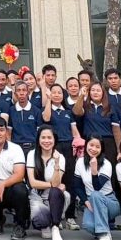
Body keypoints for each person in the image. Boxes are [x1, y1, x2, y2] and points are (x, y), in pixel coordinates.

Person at [43, 84, 82, 228]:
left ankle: (70, 217)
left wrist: (79, 146)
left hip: (69, 148)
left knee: (69, 181)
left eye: (59, 92)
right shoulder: (47, 110)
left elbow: (75, 131)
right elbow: (46, 118)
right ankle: (56, 217)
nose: (57, 95)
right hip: (54, 148)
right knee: (56, 180)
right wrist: (48, 100)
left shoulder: (68, 112)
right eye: (53, 92)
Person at [26, 126, 69, 240]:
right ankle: (48, 223)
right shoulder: (32, 154)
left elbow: (56, 184)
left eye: (49, 138)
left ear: (54, 139)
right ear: (38, 139)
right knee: (39, 219)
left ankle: (55, 227)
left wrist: (56, 163)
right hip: (37, 196)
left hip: (53, 197)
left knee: (59, 193)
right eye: (43, 137)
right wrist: (52, 184)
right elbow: (33, 183)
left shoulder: (60, 157)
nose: (46, 141)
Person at [75, 136, 121, 240]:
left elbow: (97, 188)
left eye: (97, 147)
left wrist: (94, 170)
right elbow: (77, 186)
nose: (94, 149)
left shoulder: (106, 164)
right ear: (86, 145)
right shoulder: (80, 162)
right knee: (88, 226)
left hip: (109, 201)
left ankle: (105, 234)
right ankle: (104, 225)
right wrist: (86, 202)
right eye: (91, 145)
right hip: (91, 201)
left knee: (95, 194)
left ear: (101, 149)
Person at [9, 81, 50, 152]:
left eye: (24, 90)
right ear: (15, 94)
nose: (21, 93)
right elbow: (9, 132)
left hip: (33, 147)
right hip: (16, 147)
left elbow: (39, 132)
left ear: (28, 92)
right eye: (18, 90)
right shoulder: (11, 110)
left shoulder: (36, 111)